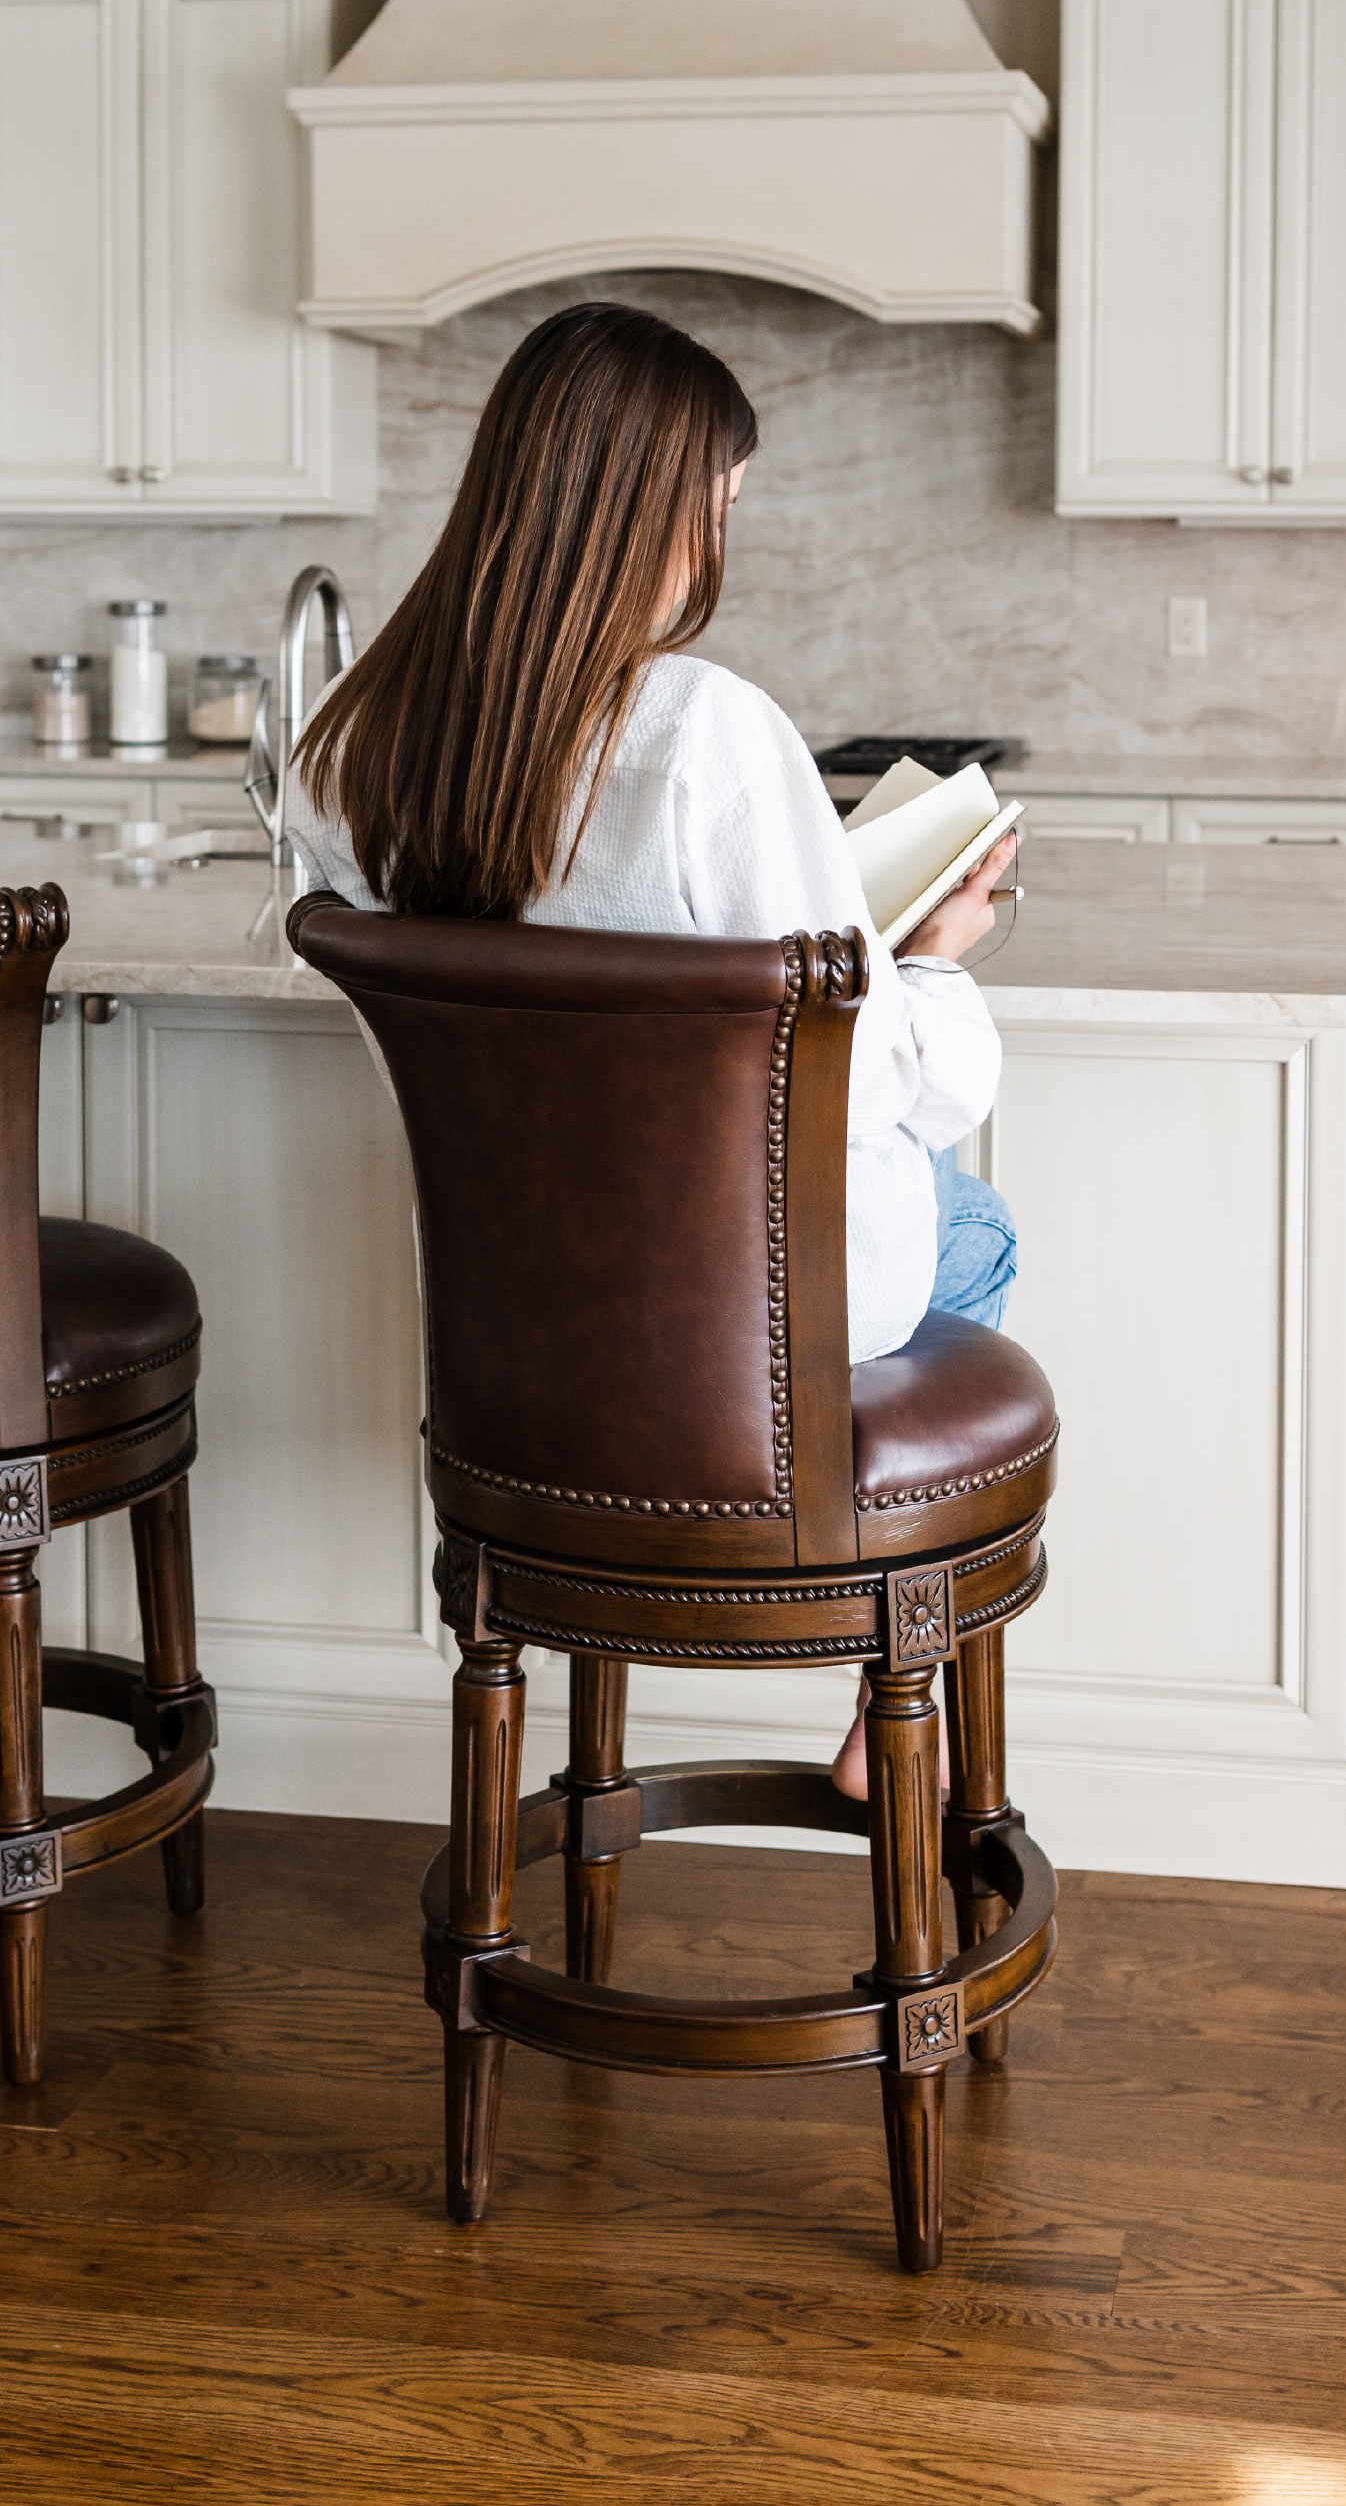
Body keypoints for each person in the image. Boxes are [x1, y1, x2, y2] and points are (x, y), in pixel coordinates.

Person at [290, 300, 1017, 1802]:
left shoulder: (350, 745)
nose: (720, 542)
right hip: (744, 1335)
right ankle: (900, 1681)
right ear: (654, 506)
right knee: (979, 1227)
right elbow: (879, 1072)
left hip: (521, 1340)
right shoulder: (703, 732)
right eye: (723, 504)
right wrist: (933, 964)